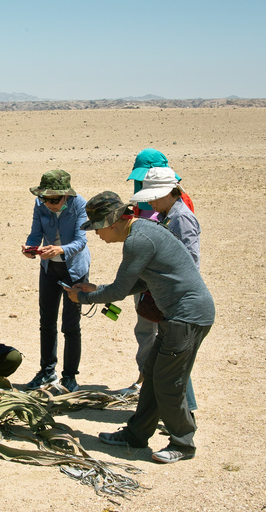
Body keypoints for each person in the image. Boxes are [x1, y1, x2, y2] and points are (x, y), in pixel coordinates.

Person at [67, 192, 215, 464]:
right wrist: (97, 289)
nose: (97, 235)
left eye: (98, 228)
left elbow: (121, 289)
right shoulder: (144, 229)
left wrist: (84, 297)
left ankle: (183, 443)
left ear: (112, 223)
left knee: (169, 384)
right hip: (178, 316)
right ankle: (135, 435)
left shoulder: (137, 241)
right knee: (152, 373)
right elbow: (142, 282)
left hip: (187, 317)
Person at [119, 149, 199, 415]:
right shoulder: (167, 214)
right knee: (161, 350)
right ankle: (163, 406)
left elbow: (188, 261)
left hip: (173, 297)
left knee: (172, 356)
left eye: (153, 198)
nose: (150, 203)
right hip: (155, 289)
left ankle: (183, 413)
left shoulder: (181, 216)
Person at [22, 170, 90, 392]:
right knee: (47, 322)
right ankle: (47, 372)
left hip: (74, 270)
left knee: (71, 325)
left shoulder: (80, 205)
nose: (48, 203)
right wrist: (30, 249)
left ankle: (69, 377)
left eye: (54, 199)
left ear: (66, 196)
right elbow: (35, 234)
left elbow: (81, 241)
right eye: (45, 198)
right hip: (49, 268)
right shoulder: (39, 204)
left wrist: (61, 249)